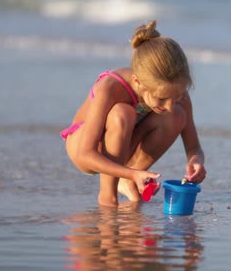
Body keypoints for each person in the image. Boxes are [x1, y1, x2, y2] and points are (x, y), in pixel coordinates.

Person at [61, 20, 206, 206]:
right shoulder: (111, 87)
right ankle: (108, 196)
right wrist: (131, 172)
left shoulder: (175, 92)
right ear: (137, 82)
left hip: (123, 146)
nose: (169, 105)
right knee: (122, 113)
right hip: (85, 148)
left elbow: (194, 148)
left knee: (177, 116)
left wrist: (196, 162)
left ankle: (127, 180)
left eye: (176, 96)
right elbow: (84, 154)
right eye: (161, 99)